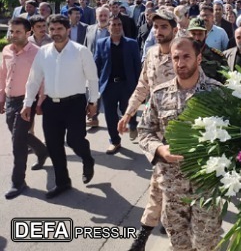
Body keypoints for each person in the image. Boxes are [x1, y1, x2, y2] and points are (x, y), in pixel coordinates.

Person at [138, 37, 223, 251]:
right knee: (181, 249)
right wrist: (159, 149)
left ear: (199, 58)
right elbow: (144, 131)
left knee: (208, 245)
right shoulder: (159, 94)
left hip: (205, 186)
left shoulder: (217, 93)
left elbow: (232, 140)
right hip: (173, 186)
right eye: (176, 58)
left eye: (186, 56)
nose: (180, 62)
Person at [120, 9, 177, 251]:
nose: (158, 31)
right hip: (153, 128)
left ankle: (139, 243)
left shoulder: (183, 54)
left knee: (158, 184)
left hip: (178, 131)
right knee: (162, 183)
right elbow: (143, 85)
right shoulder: (152, 54)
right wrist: (128, 113)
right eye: (156, 27)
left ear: (174, 29)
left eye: (164, 27)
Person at [22, 14, 99, 199]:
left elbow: (92, 78)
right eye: (52, 29)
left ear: (68, 30)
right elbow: (34, 80)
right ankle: (63, 182)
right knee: (54, 146)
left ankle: (87, 159)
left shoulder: (80, 51)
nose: (56, 33)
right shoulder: (44, 52)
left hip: (75, 104)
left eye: (59, 29)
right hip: (51, 106)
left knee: (75, 141)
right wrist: (27, 103)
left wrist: (93, 102)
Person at [1, 18, 48, 199]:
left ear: (28, 33)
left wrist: (40, 102)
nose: (13, 35)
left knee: (17, 142)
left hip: (27, 101)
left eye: (18, 32)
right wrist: (1, 97)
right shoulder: (6, 51)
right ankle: (43, 151)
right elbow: (3, 75)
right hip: (10, 101)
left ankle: (18, 181)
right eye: (11, 31)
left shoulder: (37, 53)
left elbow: (43, 79)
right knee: (19, 135)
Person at [94, 16, 142, 153]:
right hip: (108, 86)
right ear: (108, 27)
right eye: (113, 25)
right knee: (110, 115)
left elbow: (137, 66)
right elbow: (96, 65)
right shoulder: (101, 43)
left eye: (119, 24)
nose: (116, 27)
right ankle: (114, 141)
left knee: (129, 110)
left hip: (127, 85)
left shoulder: (131, 44)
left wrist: (140, 87)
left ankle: (133, 124)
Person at [186, 18, 228, 83]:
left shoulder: (217, 57)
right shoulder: (182, 56)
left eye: (200, 34)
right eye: (193, 34)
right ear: (188, 35)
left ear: (206, 35)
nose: (196, 38)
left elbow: (226, 81)